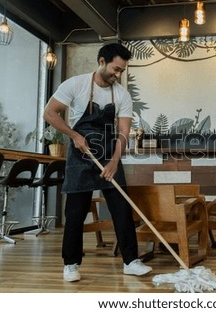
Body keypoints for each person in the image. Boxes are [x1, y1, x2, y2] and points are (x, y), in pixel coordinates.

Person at [43, 43, 152, 282]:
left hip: (108, 154)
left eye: (122, 71)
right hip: (80, 155)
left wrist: (115, 161)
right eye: (115, 69)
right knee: (75, 212)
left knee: (122, 208)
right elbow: (50, 113)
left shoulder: (121, 95)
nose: (118, 75)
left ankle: (131, 261)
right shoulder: (75, 84)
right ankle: (71, 264)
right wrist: (74, 135)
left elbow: (123, 132)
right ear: (102, 61)